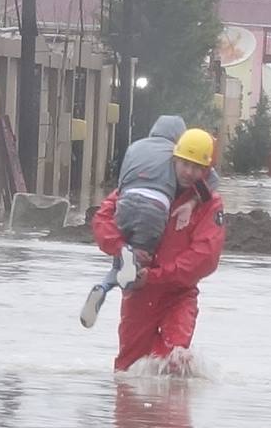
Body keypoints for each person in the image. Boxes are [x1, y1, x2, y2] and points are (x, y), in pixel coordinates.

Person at [88, 128, 226, 371]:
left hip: (178, 295)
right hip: (138, 295)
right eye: (185, 164)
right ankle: (130, 409)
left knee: (175, 360)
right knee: (128, 369)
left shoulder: (209, 204)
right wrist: (121, 248)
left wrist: (154, 277)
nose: (189, 172)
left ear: (206, 171)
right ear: (173, 159)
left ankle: (167, 408)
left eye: (197, 168)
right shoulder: (143, 189)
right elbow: (102, 221)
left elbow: (206, 258)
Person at [80, 115, 189, 327]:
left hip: (126, 201)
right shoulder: (176, 154)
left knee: (123, 261)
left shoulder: (135, 147)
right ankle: (112, 286)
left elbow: (122, 182)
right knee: (134, 272)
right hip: (155, 208)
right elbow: (188, 185)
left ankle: (103, 287)